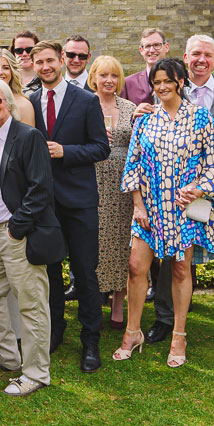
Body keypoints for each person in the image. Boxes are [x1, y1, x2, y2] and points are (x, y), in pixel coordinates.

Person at [114, 58, 214, 368]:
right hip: (149, 209)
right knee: (136, 267)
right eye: (157, 83)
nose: (162, 87)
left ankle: (179, 335)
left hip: (184, 208)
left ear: (181, 81)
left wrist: (199, 189)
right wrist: (138, 205)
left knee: (181, 270)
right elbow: (134, 166)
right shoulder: (145, 121)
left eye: (168, 81)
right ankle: (132, 331)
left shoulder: (200, 118)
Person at [146, 35, 214, 349]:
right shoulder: (165, 91)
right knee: (172, 258)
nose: (201, 59)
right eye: (195, 53)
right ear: (185, 56)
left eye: (208, 54)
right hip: (176, 194)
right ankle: (165, 319)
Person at [27, 41, 110, 372]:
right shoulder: (30, 102)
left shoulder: (86, 100)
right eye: (39, 62)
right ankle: (55, 331)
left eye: (50, 60)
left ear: (61, 61)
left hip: (79, 202)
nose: (46, 66)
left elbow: (100, 148)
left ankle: (91, 341)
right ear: (33, 65)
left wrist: (66, 151)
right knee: (49, 273)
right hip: (45, 205)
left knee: (86, 274)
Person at [0, 78, 63, 397]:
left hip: (19, 233)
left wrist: (16, 228)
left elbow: (40, 189)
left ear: (9, 104)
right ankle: (8, 357)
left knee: (32, 305)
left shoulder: (28, 137)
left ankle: (36, 372)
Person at [87, 55, 136, 330]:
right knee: (97, 241)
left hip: (124, 183)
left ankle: (119, 307)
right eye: (103, 75)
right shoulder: (84, 105)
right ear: (93, 77)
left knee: (122, 243)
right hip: (93, 178)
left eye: (114, 76)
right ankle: (94, 300)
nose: (109, 81)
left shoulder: (130, 108)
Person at [122, 28, 169, 106]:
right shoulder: (128, 83)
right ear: (141, 50)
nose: (152, 50)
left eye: (157, 45)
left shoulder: (178, 80)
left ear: (166, 47)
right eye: (147, 46)